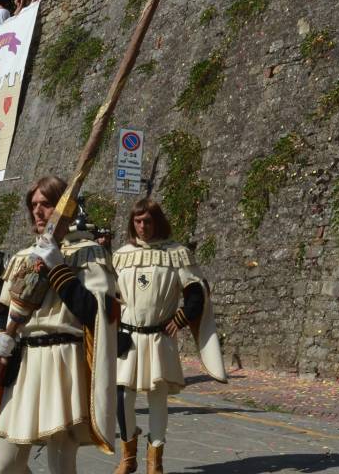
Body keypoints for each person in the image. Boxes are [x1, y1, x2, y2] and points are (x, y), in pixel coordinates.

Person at [0, 176, 118, 473]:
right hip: (23, 363)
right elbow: (2, 309)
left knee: (60, 464)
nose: (37, 211)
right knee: (6, 464)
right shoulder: (23, 257)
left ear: (64, 208)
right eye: (33, 205)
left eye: (46, 204)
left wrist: (58, 266)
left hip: (62, 361)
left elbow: (96, 312)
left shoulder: (90, 253)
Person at [111, 199, 221, 474]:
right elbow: (109, 295)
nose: (142, 226)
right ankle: (128, 455)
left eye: (147, 221)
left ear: (157, 221)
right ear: (131, 223)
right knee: (122, 398)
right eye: (137, 221)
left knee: (158, 399)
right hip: (127, 338)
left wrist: (181, 318)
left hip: (159, 338)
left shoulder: (176, 254)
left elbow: (196, 293)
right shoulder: (121, 255)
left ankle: (154, 462)